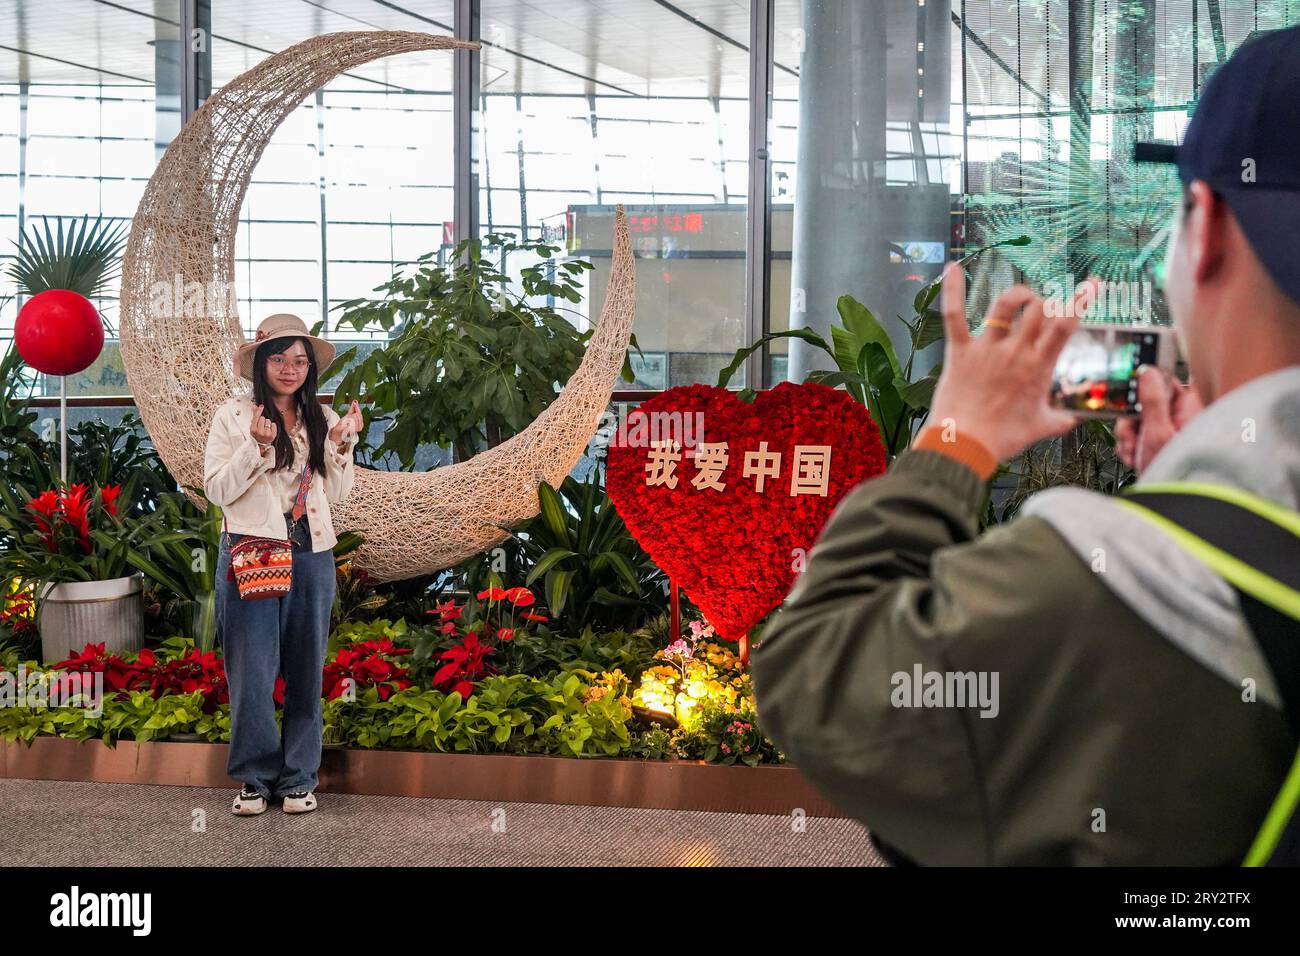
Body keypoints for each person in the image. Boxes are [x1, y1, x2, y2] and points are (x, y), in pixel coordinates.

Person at [750, 27, 1300, 865]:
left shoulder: (1113, 583)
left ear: (1210, 229)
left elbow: (815, 675)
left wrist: (957, 435)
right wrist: (1202, 498)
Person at [203, 313, 363, 817]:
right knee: (251, 672)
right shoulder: (232, 416)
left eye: (300, 360)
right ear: (260, 363)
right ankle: (254, 779)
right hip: (252, 549)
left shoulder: (320, 415)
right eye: (279, 359)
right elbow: (217, 491)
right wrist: (257, 446)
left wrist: (341, 445)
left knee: (305, 668)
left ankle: (298, 779)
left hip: (311, 552)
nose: (290, 369)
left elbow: (338, 492)